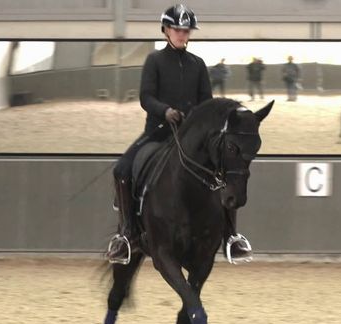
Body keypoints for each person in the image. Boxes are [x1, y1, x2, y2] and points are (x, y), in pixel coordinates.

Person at [106, 4, 252, 265]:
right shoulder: (154, 61)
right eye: (177, 30)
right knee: (122, 169)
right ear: (166, 31)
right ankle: (126, 236)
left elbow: (206, 102)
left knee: (225, 169)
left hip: (191, 139)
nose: (182, 34)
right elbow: (146, 97)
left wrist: (199, 121)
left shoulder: (198, 64)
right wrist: (166, 111)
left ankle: (232, 237)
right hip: (158, 133)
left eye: (186, 30)